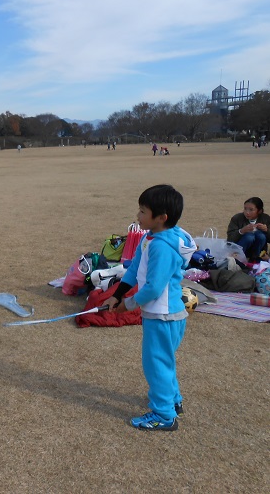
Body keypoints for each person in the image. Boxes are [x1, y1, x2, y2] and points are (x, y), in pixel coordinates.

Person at [104, 184, 195, 431]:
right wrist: (117, 295)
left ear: (161, 217)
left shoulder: (163, 247)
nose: (138, 216)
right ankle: (173, 401)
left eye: (143, 211)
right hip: (162, 315)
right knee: (163, 361)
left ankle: (164, 415)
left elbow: (154, 288)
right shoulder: (149, 237)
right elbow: (134, 269)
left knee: (156, 365)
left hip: (164, 316)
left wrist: (128, 305)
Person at [226, 197, 270, 261]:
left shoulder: (265, 218)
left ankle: (255, 259)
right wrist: (241, 231)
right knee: (249, 236)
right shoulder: (237, 218)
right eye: (245, 209)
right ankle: (239, 259)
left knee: (261, 235)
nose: (247, 212)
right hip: (241, 249)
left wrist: (267, 230)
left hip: (259, 252)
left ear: (259, 211)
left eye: (251, 210)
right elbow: (230, 239)